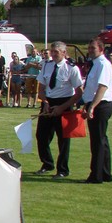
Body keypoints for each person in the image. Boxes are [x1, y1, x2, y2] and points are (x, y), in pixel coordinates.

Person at [34, 41, 84, 179]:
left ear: (64, 52)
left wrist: (62, 108)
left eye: (56, 52)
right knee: (41, 136)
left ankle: (62, 169)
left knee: (63, 139)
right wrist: (45, 102)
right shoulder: (47, 65)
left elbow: (79, 92)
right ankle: (47, 164)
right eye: (52, 51)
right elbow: (41, 88)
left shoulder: (71, 68)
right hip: (48, 103)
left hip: (64, 103)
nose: (53, 54)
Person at [81, 38, 112, 184]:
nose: (90, 50)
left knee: (97, 141)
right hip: (94, 103)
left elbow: (102, 87)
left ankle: (96, 175)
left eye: (93, 48)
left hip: (101, 104)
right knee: (101, 140)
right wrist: (86, 104)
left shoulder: (103, 64)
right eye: (89, 48)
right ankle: (106, 173)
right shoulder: (95, 64)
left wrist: (92, 106)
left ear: (101, 49)